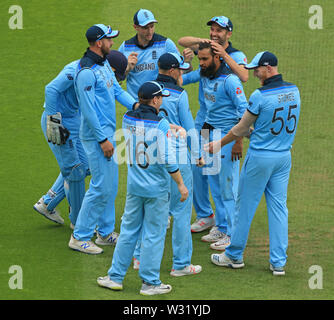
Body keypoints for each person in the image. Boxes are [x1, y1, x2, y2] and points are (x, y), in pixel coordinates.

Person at [206, 51, 301, 275]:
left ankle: (233, 255)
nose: (254, 73)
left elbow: (241, 128)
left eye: (257, 69)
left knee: (244, 207)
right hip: (284, 157)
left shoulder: (260, 95)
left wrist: (219, 143)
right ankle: (278, 263)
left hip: (260, 158)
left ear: (269, 68)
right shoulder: (294, 91)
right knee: (279, 208)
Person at [97, 81, 189, 295]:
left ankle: (114, 277)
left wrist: (170, 127)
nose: (162, 100)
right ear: (155, 100)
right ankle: (150, 283)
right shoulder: (160, 125)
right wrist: (181, 184)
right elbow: (167, 160)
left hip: (134, 186)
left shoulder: (127, 118)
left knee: (128, 231)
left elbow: (144, 120)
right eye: (161, 97)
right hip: (156, 190)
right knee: (154, 235)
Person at [34, 50, 130, 228]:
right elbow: (51, 89)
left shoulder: (101, 70)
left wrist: (138, 106)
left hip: (74, 120)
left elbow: (117, 91)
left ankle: (48, 202)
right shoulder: (76, 71)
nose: (117, 81)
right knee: (75, 171)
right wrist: (53, 120)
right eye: (118, 76)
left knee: (85, 167)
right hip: (60, 123)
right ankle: (79, 223)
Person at [132, 52, 204, 276]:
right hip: (177, 158)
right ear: (173, 71)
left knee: (151, 209)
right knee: (181, 211)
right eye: (180, 69)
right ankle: (181, 264)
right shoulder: (180, 95)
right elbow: (189, 127)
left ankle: (138, 256)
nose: (182, 73)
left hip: (151, 156)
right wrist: (199, 155)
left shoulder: (147, 89)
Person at [68, 24, 138, 254]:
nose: (113, 43)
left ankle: (105, 233)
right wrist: (102, 140)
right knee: (100, 187)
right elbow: (88, 111)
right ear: (99, 43)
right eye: (109, 39)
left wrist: (135, 105)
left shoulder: (104, 63)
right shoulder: (86, 72)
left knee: (110, 186)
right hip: (97, 138)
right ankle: (79, 236)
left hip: (107, 135)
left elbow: (116, 91)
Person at [179, 16, 248, 234]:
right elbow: (183, 41)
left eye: (220, 30)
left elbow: (244, 77)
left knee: (226, 182)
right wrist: (203, 47)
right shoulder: (205, 63)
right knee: (203, 173)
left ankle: (229, 229)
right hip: (206, 124)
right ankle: (212, 219)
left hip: (226, 127)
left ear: (229, 33)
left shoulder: (233, 63)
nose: (214, 33)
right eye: (212, 30)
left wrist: (223, 55)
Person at [196, 42, 248, 251]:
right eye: (199, 59)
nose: (201, 63)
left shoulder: (230, 80)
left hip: (227, 139)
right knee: (215, 186)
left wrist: (238, 141)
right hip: (209, 136)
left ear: (217, 58)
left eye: (205, 59)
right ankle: (222, 226)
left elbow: (244, 111)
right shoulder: (206, 76)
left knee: (228, 188)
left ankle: (233, 235)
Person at [118, 8, 180, 99]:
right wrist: (127, 69)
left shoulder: (166, 44)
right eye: (145, 28)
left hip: (159, 103)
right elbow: (115, 79)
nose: (150, 31)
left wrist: (187, 61)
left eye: (152, 26)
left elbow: (182, 69)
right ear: (135, 27)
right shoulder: (125, 48)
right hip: (136, 104)